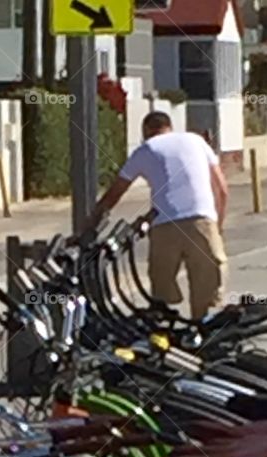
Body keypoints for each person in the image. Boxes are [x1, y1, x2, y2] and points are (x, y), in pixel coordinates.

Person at [82, 112, 228, 320]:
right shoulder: (196, 141)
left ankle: (164, 333)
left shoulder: (145, 150)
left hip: (165, 227)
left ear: (146, 133)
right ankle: (204, 336)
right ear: (170, 126)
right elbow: (222, 189)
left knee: (161, 293)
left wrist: (91, 223)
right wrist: (217, 226)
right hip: (202, 221)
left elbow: (115, 192)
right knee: (207, 291)